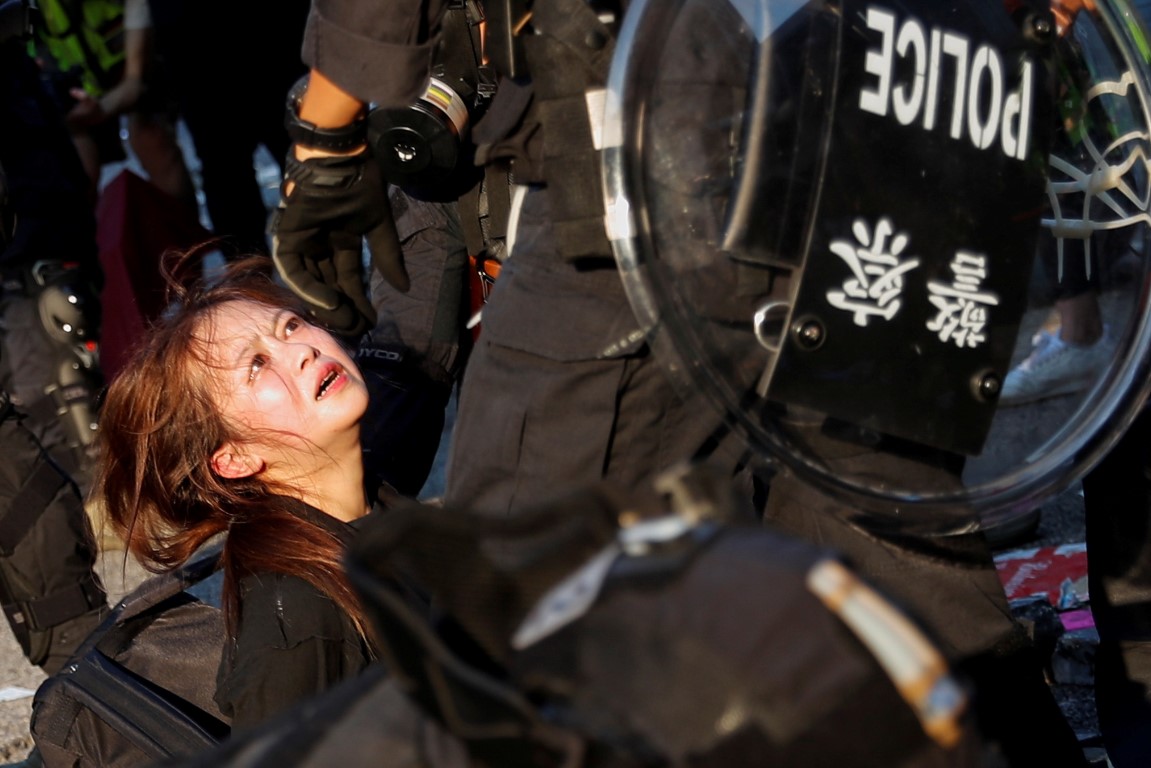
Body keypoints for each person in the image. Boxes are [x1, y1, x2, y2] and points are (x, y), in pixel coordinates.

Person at [91, 250, 384, 732]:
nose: (302, 349)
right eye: (256, 365)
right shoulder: (295, 626)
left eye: (289, 326)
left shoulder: (377, 506)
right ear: (234, 459)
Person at [28, 0, 197, 213]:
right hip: (81, 92)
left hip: (142, 75)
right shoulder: (31, 9)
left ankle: (191, 239)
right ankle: (91, 242)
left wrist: (100, 109)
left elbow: (135, 84)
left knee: (149, 137)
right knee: (77, 167)